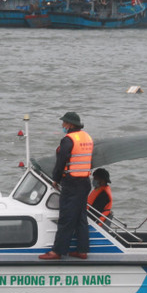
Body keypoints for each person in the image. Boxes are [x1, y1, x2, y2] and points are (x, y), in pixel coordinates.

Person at [39, 111, 93, 260]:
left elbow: (61, 162)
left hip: (72, 183)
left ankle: (57, 251)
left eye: (64, 122)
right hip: (85, 182)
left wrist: (55, 179)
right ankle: (82, 250)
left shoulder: (68, 140)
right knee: (81, 217)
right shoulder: (87, 137)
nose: (62, 125)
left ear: (70, 124)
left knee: (66, 218)